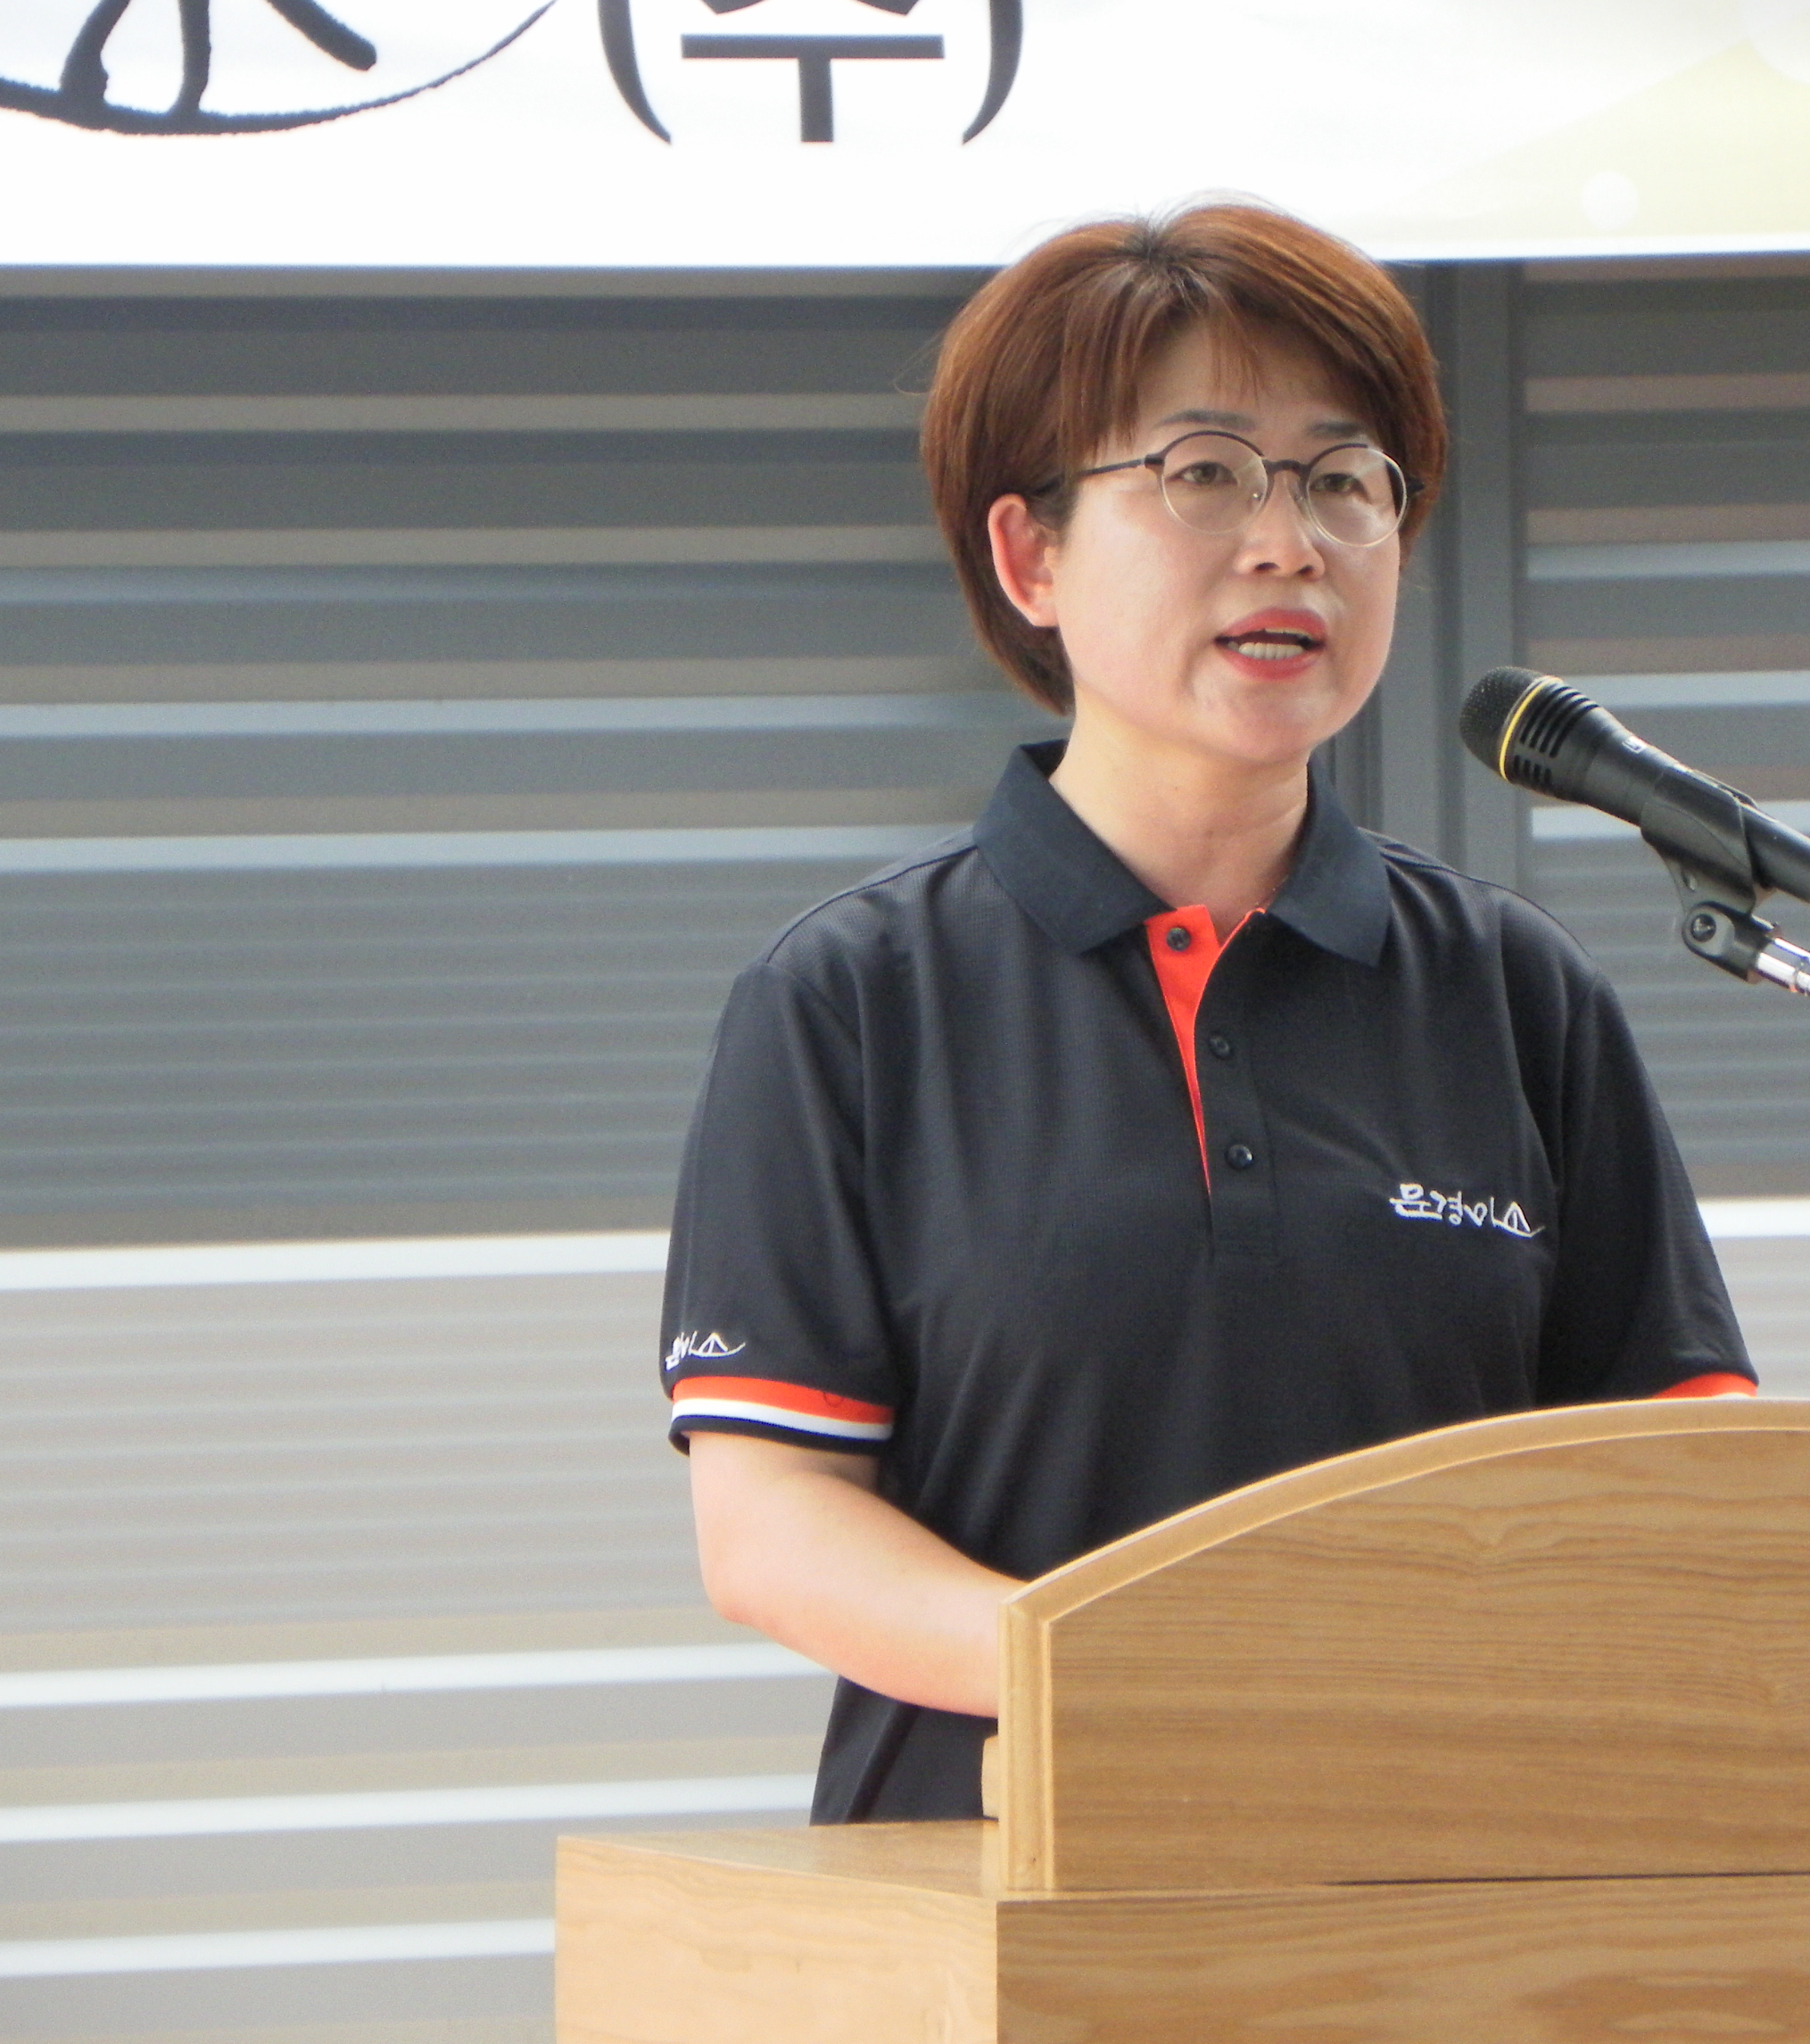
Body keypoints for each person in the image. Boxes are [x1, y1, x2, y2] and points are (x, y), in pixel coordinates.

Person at [658, 203, 1753, 1824]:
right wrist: (1148, 1672)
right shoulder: (853, 1002)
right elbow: (774, 1528)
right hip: (999, 1880)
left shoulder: (1517, 993)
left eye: (1345, 480)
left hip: (1447, 1881)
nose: (1290, 541)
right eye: (1207, 472)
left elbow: (1682, 1484)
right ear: (1029, 556)